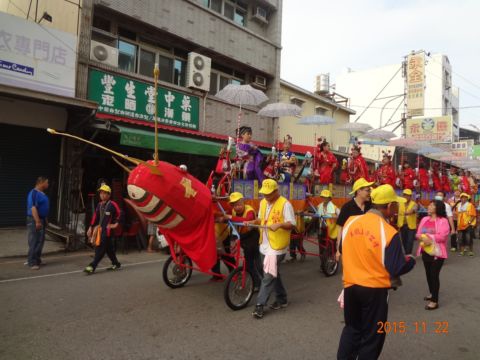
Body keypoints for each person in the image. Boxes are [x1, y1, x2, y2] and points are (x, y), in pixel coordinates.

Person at [337, 184, 415, 360]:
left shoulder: (351, 222)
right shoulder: (389, 231)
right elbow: (397, 267)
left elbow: (342, 247)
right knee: (373, 335)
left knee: (352, 329)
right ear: (389, 207)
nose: (397, 208)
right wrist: (412, 261)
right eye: (396, 204)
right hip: (375, 289)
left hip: (350, 286)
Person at [245, 179, 296, 319]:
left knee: (267, 275)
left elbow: (292, 224)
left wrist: (279, 225)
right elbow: (260, 219)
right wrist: (251, 222)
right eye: (264, 194)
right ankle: (282, 298)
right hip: (264, 244)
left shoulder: (285, 204)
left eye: (268, 194)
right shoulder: (262, 203)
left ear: (276, 191)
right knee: (272, 273)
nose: (265, 196)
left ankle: (260, 305)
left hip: (277, 246)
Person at [222, 192, 262, 289]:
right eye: (234, 205)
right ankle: (257, 283)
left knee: (257, 264)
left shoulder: (250, 210)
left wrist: (231, 218)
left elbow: (246, 220)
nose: (237, 207)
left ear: (243, 202)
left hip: (253, 237)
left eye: (239, 204)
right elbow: (225, 217)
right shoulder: (233, 211)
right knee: (249, 263)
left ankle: (264, 282)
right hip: (243, 237)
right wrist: (222, 218)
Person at [416, 200, 449, 310]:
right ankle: (431, 293)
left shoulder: (443, 221)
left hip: (437, 253)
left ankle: (434, 301)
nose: (428, 207)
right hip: (425, 251)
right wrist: (422, 237)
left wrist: (428, 238)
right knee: (428, 274)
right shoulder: (424, 219)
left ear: (437, 208)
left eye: (431, 205)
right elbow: (418, 233)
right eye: (429, 205)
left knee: (434, 275)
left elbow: (442, 236)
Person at [84, 185, 122, 274]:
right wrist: (91, 227)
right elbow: (95, 217)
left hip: (108, 231)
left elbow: (120, 214)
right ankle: (116, 263)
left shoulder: (112, 204)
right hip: (101, 230)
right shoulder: (99, 205)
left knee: (100, 248)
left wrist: (115, 224)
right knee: (109, 249)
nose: (102, 195)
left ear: (109, 195)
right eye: (101, 193)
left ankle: (92, 266)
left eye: (104, 193)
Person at [336, 178, 374, 261]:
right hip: (351, 249)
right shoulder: (347, 207)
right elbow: (340, 228)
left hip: (367, 249)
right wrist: (338, 249)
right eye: (367, 191)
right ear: (359, 191)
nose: (369, 193)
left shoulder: (371, 205)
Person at [26, 176, 50, 270]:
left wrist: (45, 219)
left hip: (41, 219)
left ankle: (37, 259)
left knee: (40, 240)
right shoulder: (34, 193)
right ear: (41, 183)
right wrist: (37, 221)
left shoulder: (42, 193)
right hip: (34, 219)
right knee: (34, 240)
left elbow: (42, 207)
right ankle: (32, 262)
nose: (48, 184)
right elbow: (33, 208)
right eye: (47, 182)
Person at [397, 189, 418, 255]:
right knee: (404, 241)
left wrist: (408, 212)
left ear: (410, 196)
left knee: (410, 241)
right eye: (405, 195)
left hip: (411, 226)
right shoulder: (399, 203)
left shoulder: (414, 204)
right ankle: (407, 253)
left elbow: (413, 210)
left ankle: (408, 254)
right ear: (403, 195)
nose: (406, 197)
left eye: (408, 196)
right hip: (402, 225)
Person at [456, 192, 476, 257]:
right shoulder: (458, 205)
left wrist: (469, 222)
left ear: (467, 199)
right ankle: (461, 251)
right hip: (460, 225)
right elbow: (457, 215)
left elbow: (473, 215)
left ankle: (471, 251)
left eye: (465, 198)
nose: (463, 199)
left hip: (468, 225)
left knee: (469, 238)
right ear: (460, 198)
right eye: (462, 197)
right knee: (460, 238)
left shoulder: (470, 205)